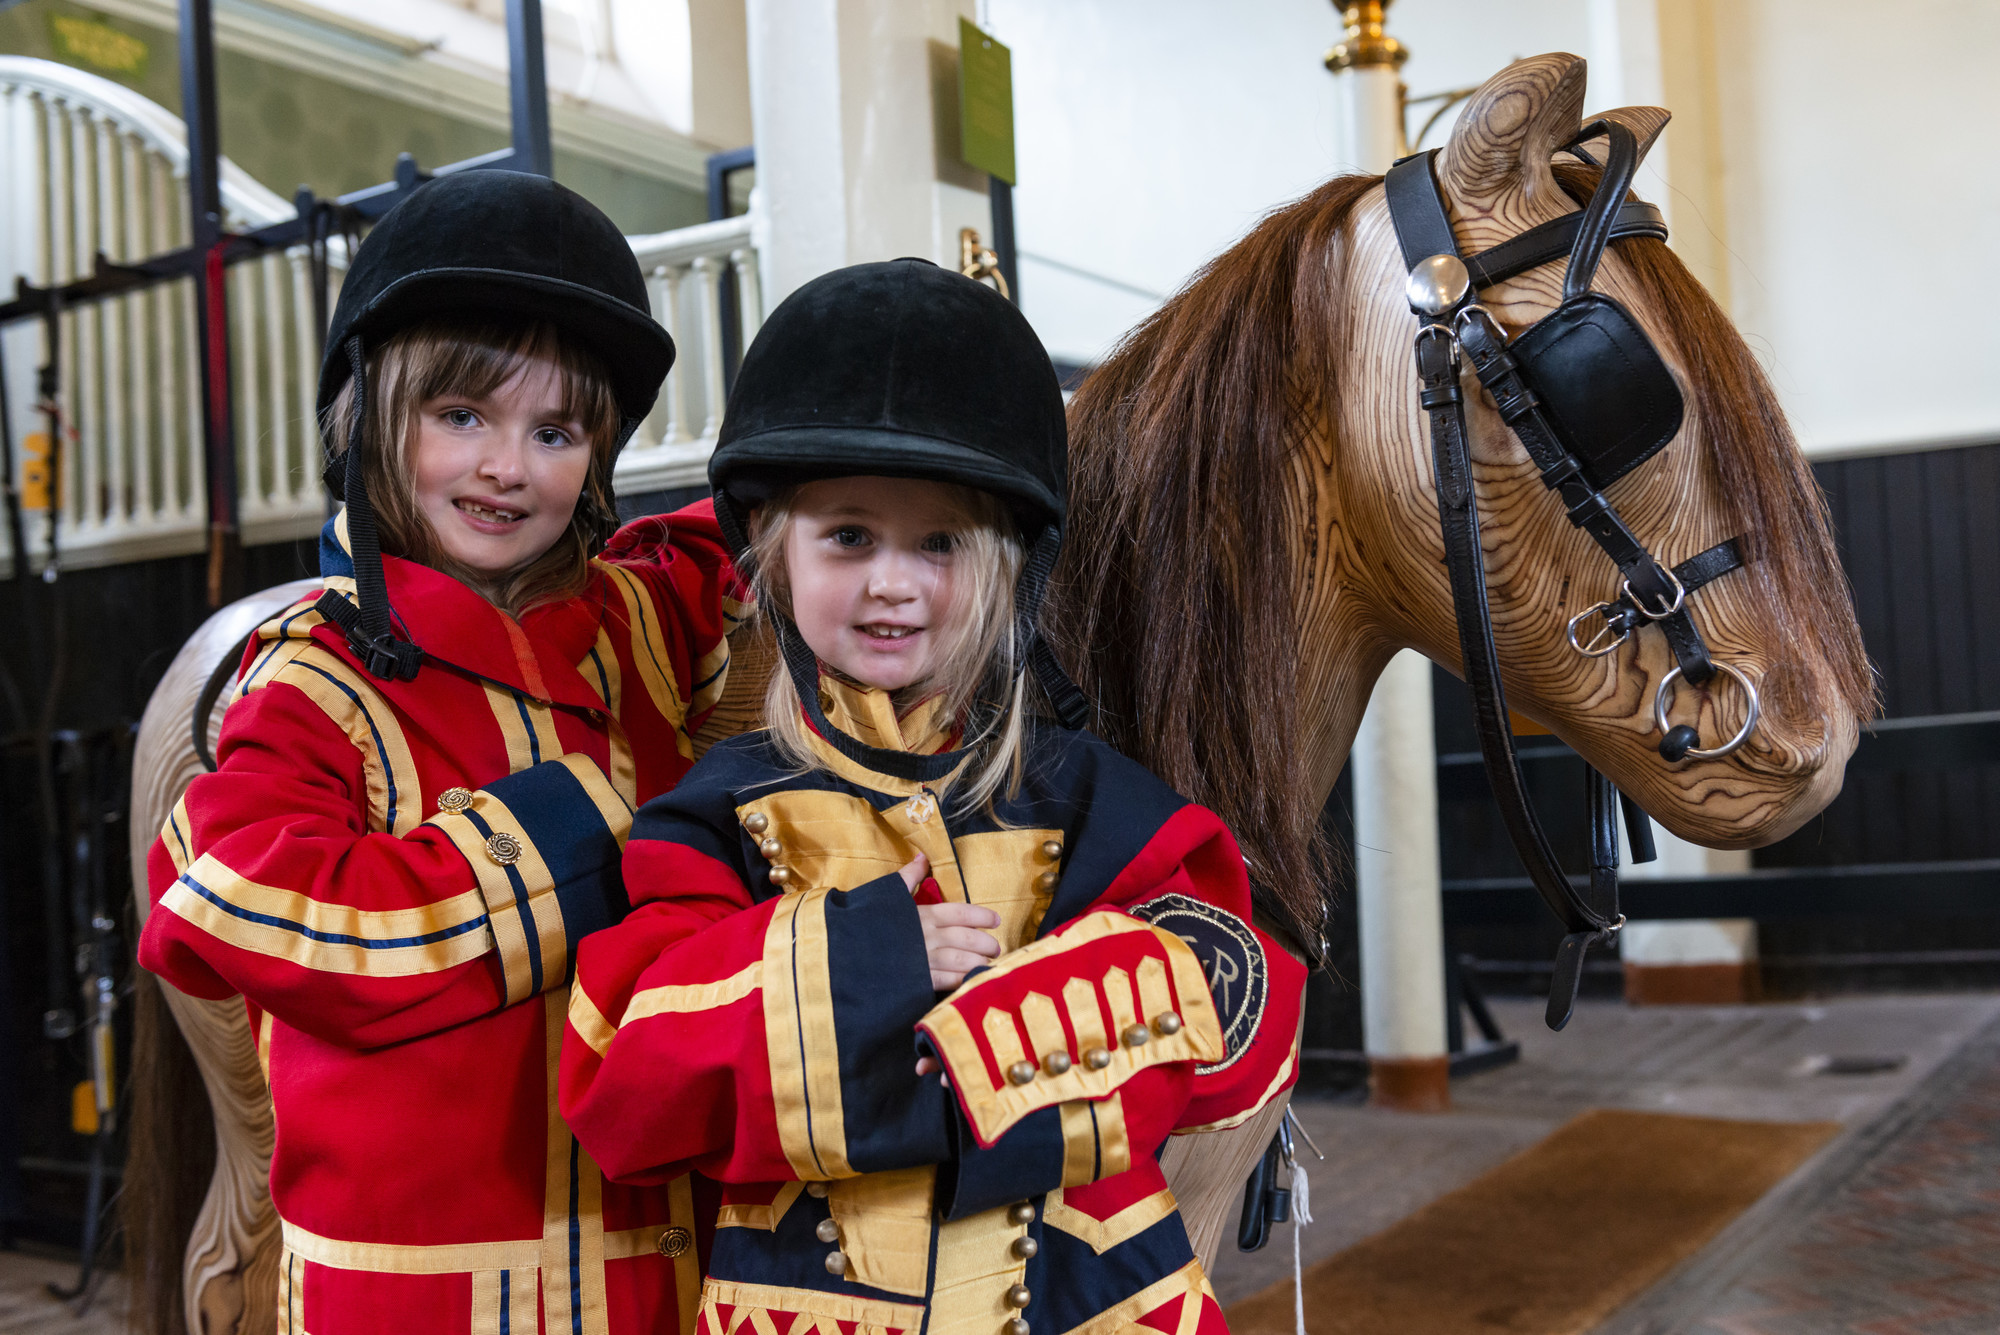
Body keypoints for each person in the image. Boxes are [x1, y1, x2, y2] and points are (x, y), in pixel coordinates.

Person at [562, 259, 1306, 1335]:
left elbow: (1241, 1006)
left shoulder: (1084, 795)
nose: (891, 583)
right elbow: (627, 1085)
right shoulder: (714, 810)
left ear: (1011, 568)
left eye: (940, 543)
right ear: (772, 554)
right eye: (848, 535)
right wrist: (879, 964)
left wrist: (967, 1048)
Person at [137, 170, 745, 1335]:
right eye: (461, 415)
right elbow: (226, 903)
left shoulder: (635, 630)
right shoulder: (316, 673)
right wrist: (568, 850)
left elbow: (762, 526)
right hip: (414, 1303)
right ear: (371, 417)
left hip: (655, 1281)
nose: (507, 467)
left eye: (554, 430)